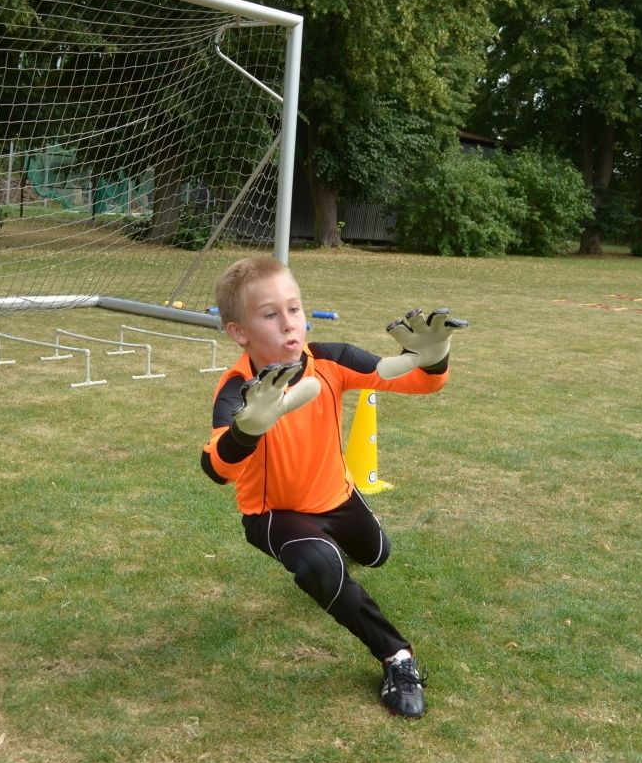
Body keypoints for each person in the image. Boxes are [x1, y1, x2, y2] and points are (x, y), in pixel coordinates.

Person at [200, 256, 467, 718]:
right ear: (239, 332)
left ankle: (336, 550)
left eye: (294, 308)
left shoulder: (330, 359)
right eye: (270, 315)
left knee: (377, 554)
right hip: (274, 515)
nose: (289, 324)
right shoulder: (239, 388)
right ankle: (396, 657)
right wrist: (247, 429)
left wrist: (434, 354)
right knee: (320, 566)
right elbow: (216, 468)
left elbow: (418, 380)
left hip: (337, 497)